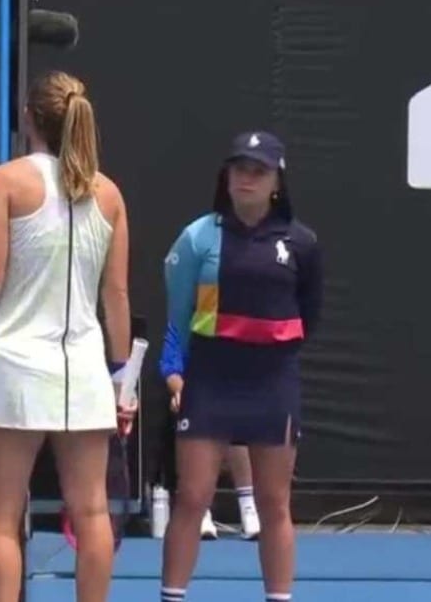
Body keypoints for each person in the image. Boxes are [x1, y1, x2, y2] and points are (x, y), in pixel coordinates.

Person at [0, 70, 136, 602]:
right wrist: (123, 377)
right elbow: (116, 297)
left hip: (17, 368)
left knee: (2, 521)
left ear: (29, 116)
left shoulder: (6, 180)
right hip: (85, 371)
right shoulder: (110, 195)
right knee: (93, 509)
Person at [160, 131, 323, 602]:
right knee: (192, 498)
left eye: (258, 170)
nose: (246, 178)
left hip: (273, 383)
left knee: (274, 504)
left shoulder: (302, 243)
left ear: (277, 181)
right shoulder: (198, 237)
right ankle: (172, 596)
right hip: (211, 381)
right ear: (225, 177)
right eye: (239, 168)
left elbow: (309, 315)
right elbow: (179, 310)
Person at [160, 322, 262, 540]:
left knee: (236, 410)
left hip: (230, 394)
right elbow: (170, 369)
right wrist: (183, 391)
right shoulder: (180, 320)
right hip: (194, 396)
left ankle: (248, 506)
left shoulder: (236, 322)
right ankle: (200, 508)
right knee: (192, 410)